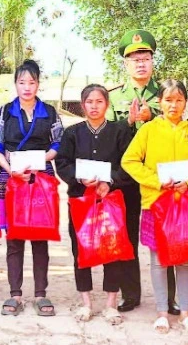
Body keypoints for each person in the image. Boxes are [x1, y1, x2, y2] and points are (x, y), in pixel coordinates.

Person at [121, 79, 188, 334]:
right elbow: (130, 161)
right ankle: (162, 312)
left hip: (186, 203)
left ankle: (185, 312)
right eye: (168, 100)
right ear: (159, 102)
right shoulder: (148, 130)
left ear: (186, 102)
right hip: (157, 203)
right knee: (159, 260)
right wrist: (156, 181)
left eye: (179, 100)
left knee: (184, 260)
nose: (173, 105)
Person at [106, 29, 178, 314]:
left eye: (145, 57)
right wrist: (130, 124)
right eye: (134, 58)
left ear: (152, 61)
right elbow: (110, 138)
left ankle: (171, 298)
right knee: (126, 237)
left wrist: (153, 119)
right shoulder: (113, 97)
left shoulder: (166, 95)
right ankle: (131, 294)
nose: (140, 63)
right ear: (126, 63)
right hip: (126, 180)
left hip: (160, 178)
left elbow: (176, 130)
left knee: (165, 237)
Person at [55, 84, 137, 325]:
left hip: (109, 200)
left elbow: (128, 164)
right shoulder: (72, 133)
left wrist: (110, 181)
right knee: (81, 249)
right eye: (89, 102)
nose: (94, 106)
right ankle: (86, 302)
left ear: (107, 104)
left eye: (99, 101)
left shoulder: (119, 131)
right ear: (82, 105)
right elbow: (62, 162)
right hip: (81, 200)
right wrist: (79, 179)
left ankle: (111, 303)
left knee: (112, 248)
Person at [0, 59, 64, 317]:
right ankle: (15, 294)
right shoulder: (3, 112)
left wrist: (40, 161)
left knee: (40, 236)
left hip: (41, 179)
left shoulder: (50, 112)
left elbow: (58, 144)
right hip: (11, 179)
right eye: (22, 82)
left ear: (38, 84)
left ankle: (41, 294)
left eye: (31, 82)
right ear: (15, 84)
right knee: (15, 237)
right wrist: (11, 169)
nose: (26, 87)